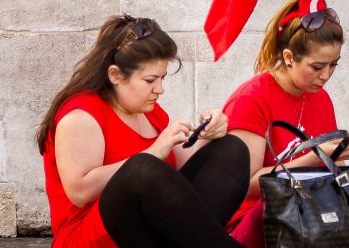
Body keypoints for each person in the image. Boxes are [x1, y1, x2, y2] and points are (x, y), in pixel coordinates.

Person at [37, 15, 249, 247]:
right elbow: (80, 192)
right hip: (90, 237)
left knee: (231, 149)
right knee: (142, 168)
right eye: (150, 80)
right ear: (115, 75)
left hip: (146, 233)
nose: (160, 89)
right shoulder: (80, 116)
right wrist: (152, 152)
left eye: (162, 78)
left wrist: (211, 132)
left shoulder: (149, 111)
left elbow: (183, 179)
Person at [224, 0, 349, 248]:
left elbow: (330, 184)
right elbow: (244, 187)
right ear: (289, 57)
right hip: (263, 219)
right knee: (273, 207)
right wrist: (316, 157)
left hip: (312, 213)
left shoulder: (320, 98)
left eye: (333, 65)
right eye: (317, 67)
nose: (326, 75)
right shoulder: (251, 99)